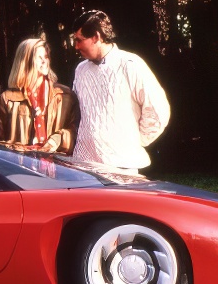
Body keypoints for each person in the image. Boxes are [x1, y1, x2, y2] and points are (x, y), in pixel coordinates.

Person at [70, 10, 170, 173]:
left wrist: (136, 141)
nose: (76, 46)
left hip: (122, 166)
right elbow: (76, 112)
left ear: (96, 37)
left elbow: (157, 110)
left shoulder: (130, 64)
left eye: (80, 40)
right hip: (84, 166)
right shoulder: (81, 70)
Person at [0, 37, 79, 153]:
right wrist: (22, 151)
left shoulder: (66, 96)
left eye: (46, 57)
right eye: (39, 58)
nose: (44, 61)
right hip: (20, 168)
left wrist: (57, 139)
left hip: (58, 167)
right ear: (25, 61)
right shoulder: (7, 99)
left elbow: (77, 134)